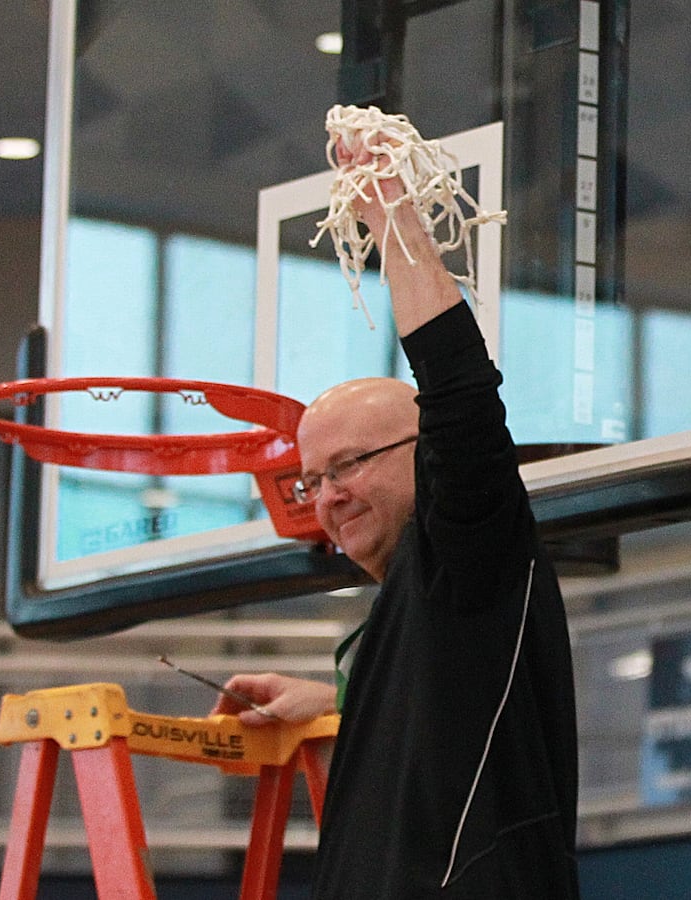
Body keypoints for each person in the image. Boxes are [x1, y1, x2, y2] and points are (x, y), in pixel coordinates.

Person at [214, 134, 580, 899]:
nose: (328, 496)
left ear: (426, 452)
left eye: (348, 465)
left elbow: (461, 398)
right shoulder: (418, 610)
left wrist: (394, 221)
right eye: (312, 480)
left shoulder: (468, 551)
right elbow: (445, 719)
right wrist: (338, 699)